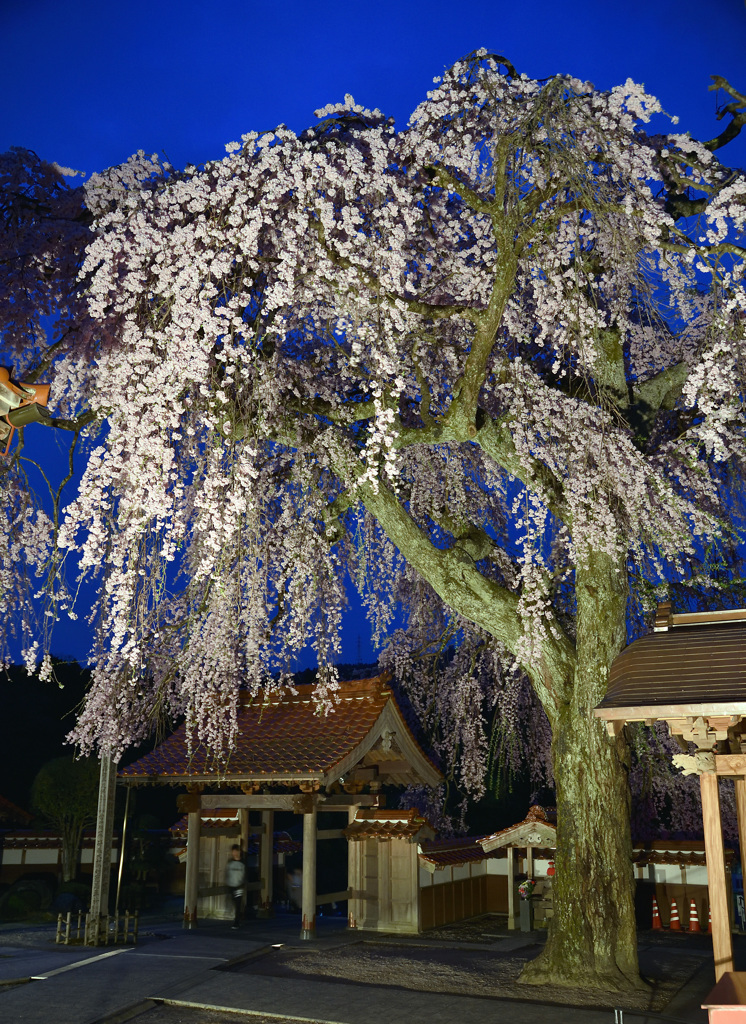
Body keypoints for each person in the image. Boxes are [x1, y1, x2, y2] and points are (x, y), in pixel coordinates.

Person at [225, 844, 246, 929]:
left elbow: (245, 874)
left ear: (239, 852)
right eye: (233, 851)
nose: (235, 853)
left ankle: (236, 922)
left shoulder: (243, 863)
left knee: (238, 904)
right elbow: (227, 873)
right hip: (231, 885)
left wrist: (242, 883)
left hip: (239, 886)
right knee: (234, 903)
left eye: (236, 851)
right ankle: (239, 918)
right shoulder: (230, 862)